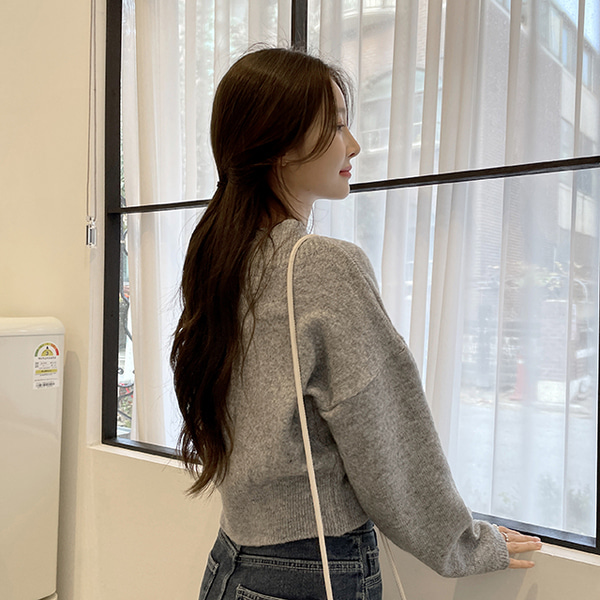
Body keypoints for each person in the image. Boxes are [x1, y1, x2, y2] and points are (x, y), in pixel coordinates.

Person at [171, 47, 542, 600]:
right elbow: (387, 439)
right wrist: (464, 543)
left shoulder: (221, 262)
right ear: (278, 145)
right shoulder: (321, 266)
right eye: (335, 126)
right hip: (312, 571)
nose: (353, 145)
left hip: (232, 563)